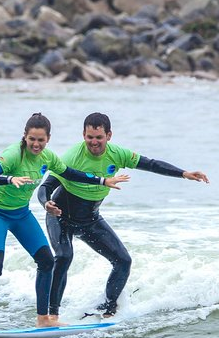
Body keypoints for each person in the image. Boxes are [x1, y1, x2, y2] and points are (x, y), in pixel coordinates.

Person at [37, 112, 209, 320]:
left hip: (90, 219)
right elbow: (46, 186)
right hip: (60, 215)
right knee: (64, 256)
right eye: (90, 137)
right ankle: (51, 316)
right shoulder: (71, 157)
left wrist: (183, 173)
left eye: (99, 137)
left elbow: (151, 164)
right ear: (83, 134)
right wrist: (46, 204)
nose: (94, 142)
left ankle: (107, 309)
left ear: (109, 135)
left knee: (123, 261)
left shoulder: (118, 154)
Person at [0, 113, 130, 331]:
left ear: (48, 139)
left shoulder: (48, 158)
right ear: (25, 137)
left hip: (20, 213)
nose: (36, 144)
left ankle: (44, 318)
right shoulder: (12, 155)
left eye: (41, 140)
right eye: (32, 139)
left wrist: (103, 180)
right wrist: (10, 179)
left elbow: (72, 174)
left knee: (47, 261)